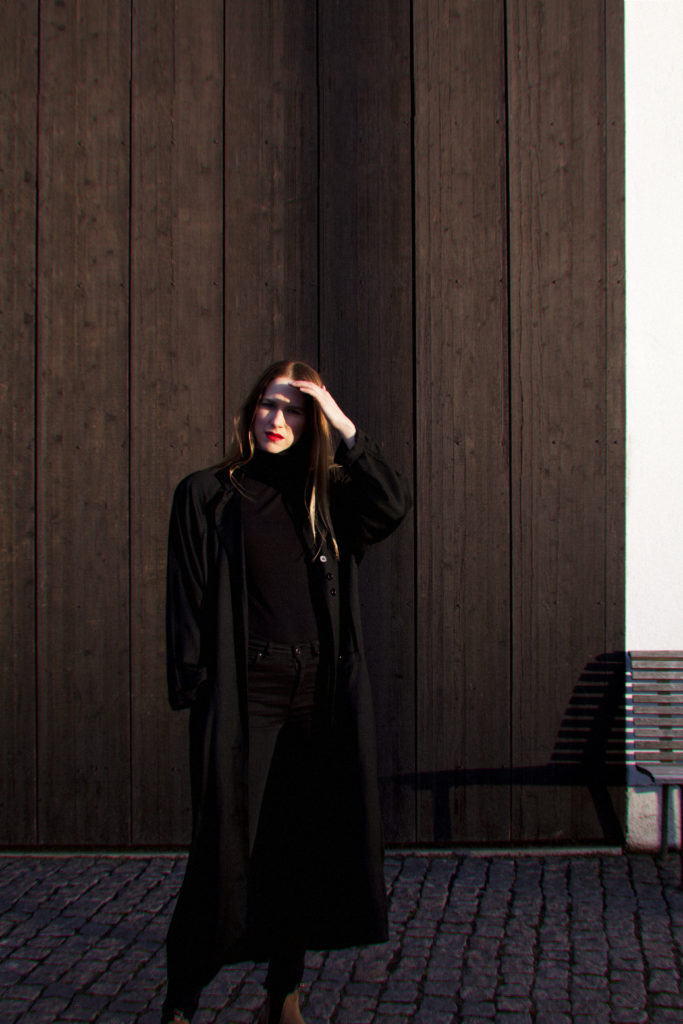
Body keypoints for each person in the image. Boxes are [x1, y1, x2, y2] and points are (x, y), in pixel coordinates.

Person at [161, 360, 411, 1024]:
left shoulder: (329, 496)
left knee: (300, 844)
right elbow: (186, 597)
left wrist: (346, 426)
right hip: (249, 691)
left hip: (317, 693)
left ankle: (284, 993)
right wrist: (194, 684)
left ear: (313, 421)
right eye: (268, 405)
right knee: (223, 849)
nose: (277, 419)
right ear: (250, 412)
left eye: (295, 409)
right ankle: (182, 1000)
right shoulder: (208, 494)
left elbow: (391, 504)